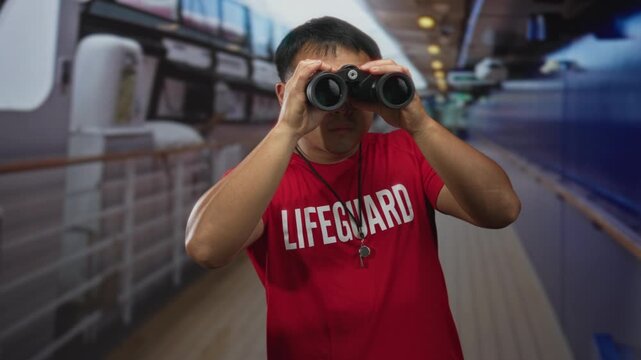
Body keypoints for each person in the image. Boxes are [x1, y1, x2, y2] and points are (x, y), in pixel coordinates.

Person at [186, 16, 521, 359]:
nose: (342, 106)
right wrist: (286, 128)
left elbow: (501, 209)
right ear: (284, 94)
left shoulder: (408, 151)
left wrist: (419, 123)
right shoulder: (264, 180)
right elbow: (207, 248)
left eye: (357, 85)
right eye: (323, 86)